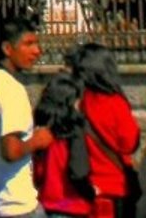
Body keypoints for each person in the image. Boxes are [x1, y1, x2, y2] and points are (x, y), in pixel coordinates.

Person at [0, 15, 54, 218]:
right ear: (7, 48)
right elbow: (11, 151)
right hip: (13, 205)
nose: (37, 51)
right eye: (28, 44)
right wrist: (38, 140)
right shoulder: (11, 89)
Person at [72, 43, 142, 218]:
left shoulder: (78, 101)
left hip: (85, 187)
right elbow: (129, 144)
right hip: (114, 186)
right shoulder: (115, 103)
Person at [31, 71, 92, 218]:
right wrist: (91, 192)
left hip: (47, 204)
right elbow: (78, 172)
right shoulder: (74, 131)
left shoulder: (41, 130)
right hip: (72, 205)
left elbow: (38, 172)